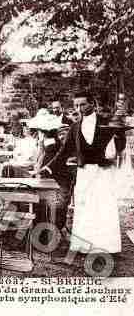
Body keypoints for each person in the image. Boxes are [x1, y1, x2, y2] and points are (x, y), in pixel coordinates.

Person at [40, 91, 126, 263]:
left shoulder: (105, 122)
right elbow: (63, 151)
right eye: (76, 105)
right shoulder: (75, 127)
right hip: (85, 172)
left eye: (83, 104)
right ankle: (84, 246)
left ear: (92, 104)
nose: (79, 108)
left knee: (103, 207)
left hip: (103, 172)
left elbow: (120, 145)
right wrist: (47, 167)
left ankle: (108, 246)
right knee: (84, 207)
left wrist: (118, 136)